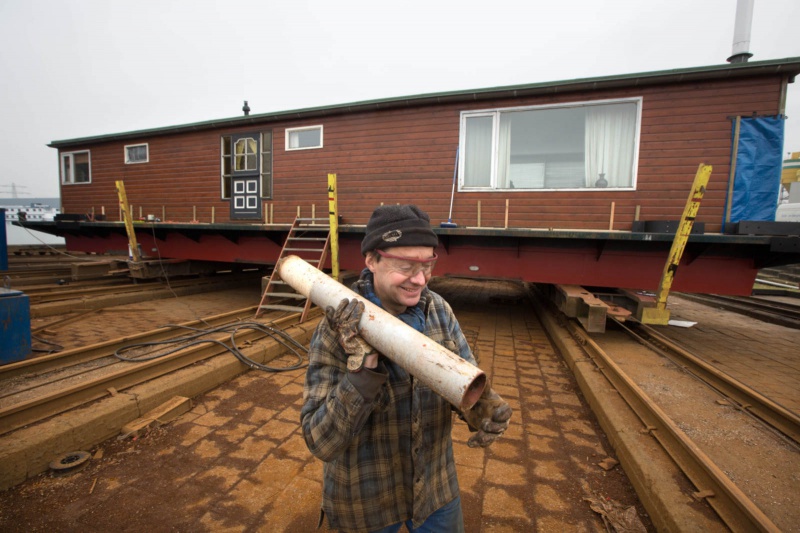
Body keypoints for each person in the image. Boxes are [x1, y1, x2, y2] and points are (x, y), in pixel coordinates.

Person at [300, 204, 512, 532]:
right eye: (406, 266)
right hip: (365, 501)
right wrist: (362, 371)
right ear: (371, 260)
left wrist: (482, 406)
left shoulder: (438, 310)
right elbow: (321, 442)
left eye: (427, 264)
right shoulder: (336, 330)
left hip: (435, 489)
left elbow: (462, 377)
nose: (420, 279)